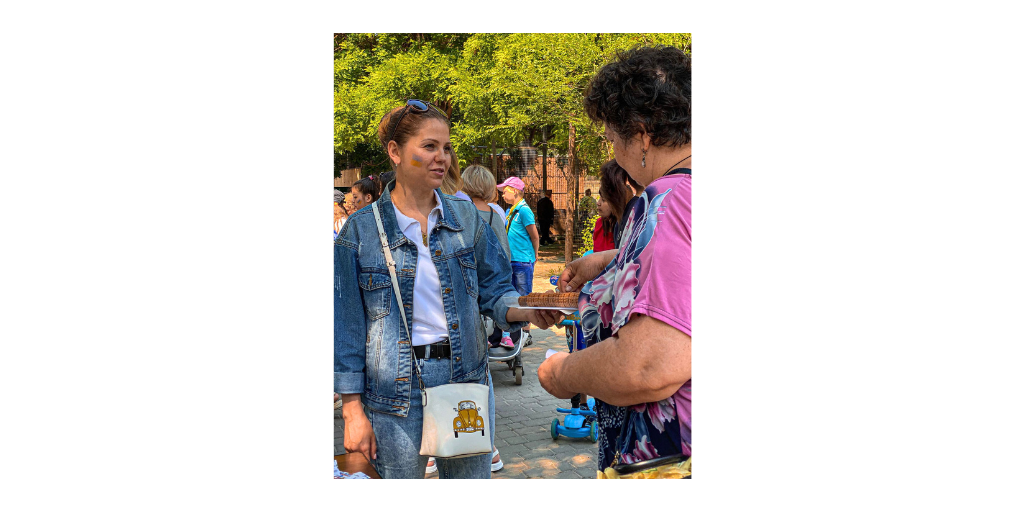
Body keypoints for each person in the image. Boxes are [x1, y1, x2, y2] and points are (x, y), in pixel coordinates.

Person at [335, 99, 562, 479]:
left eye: (446, 147)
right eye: (429, 147)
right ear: (395, 152)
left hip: (465, 378)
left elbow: (495, 290)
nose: (442, 157)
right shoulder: (359, 232)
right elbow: (347, 328)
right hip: (393, 393)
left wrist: (526, 310)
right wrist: (352, 409)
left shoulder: (467, 218)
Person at [537, 46, 692, 475]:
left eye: (612, 139)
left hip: (670, 459)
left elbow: (650, 364)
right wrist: (610, 262)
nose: (616, 155)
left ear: (641, 133)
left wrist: (562, 373)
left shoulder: (667, 201)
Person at [497, 176, 540, 344]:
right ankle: (511, 333)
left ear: (514, 191)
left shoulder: (524, 210)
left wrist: (535, 254)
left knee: (524, 296)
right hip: (511, 260)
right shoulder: (509, 211)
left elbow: (534, 236)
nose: (502, 195)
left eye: (505, 191)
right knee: (511, 296)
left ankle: (526, 332)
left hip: (522, 260)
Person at [593, 160, 631, 253]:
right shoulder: (599, 224)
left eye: (604, 200)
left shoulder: (626, 223)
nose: (598, 203)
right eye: (599, 199)